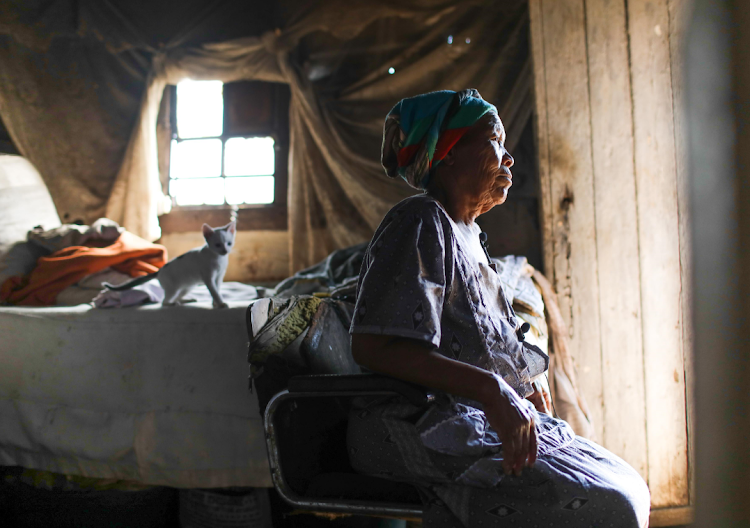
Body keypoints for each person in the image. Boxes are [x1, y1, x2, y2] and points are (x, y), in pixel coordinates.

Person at [347, 89, 651, 527]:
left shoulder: (469, 235)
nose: (508, 158)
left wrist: (521, 388)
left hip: (467, 417)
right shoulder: (420, 219)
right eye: (494, 141)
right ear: (448, 153)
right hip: (410, 422)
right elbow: (373, 347)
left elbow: (481, 342)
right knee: (611, 507)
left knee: (628, 486)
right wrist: (493, 390)